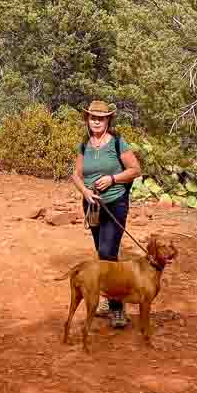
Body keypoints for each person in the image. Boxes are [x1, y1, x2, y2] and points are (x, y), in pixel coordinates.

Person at [71, 100, 142, 328]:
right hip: (92, 205)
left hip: (115, 204)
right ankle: (110, 300)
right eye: (92, 117)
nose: (96, 121)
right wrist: (85, 192)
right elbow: (76, 174)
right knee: (103, 255)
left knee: (107, 253)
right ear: (87, 120)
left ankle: (117, 308)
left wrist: (112, 179)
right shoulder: (85, 145)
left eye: (100, 118)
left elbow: (135, 170)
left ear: (108, 120)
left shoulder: (118, 143)